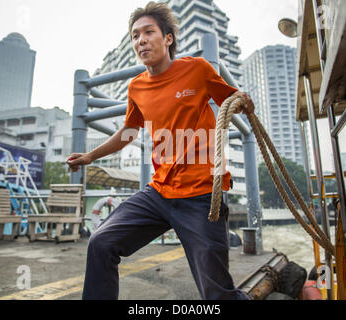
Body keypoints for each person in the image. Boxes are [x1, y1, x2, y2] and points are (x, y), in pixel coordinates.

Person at [67, 1, 254, 300]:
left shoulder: (197, 70)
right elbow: (128, 133)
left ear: (168, 38)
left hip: (201, 196)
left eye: (149, 32)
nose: (141, 40)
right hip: (159, 193)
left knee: (217, 294)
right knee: (101, 242)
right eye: (135, 35)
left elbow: (234, 101)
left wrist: (243, 100)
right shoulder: (136, 87)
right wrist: (90, 156)